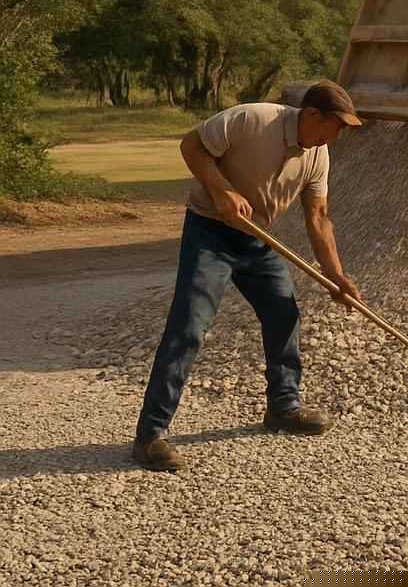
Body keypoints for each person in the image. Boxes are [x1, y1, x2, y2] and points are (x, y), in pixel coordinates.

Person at [131, 80, 364, 473]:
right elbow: (192, 146)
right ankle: (150, 435)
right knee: (189, 326)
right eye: (337, 125)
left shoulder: (318, 155)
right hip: (209, 233)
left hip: (258, 240)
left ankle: (283, 408)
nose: (338, 135)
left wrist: (336, 276)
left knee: (283, 315)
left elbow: (319, 217)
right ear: (312, 115)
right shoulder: (252, 119)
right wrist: (222, 190)